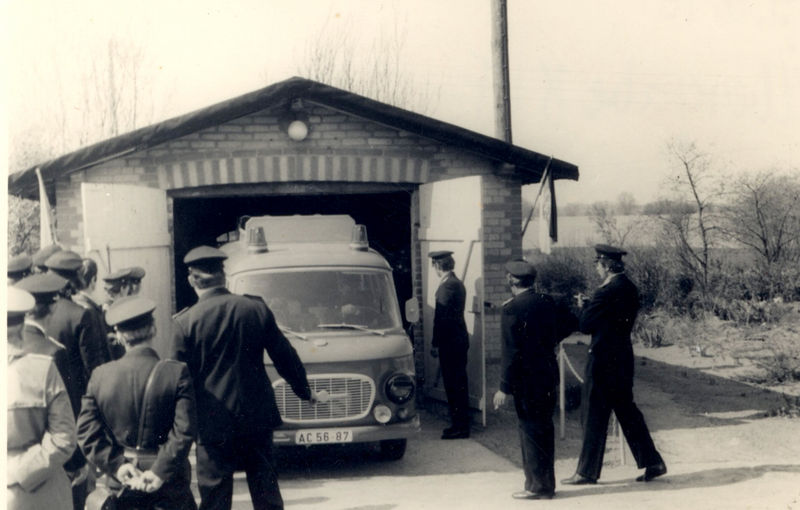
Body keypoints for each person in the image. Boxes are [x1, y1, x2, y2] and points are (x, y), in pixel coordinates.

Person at [160, 245, 317, 510]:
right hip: (257, 418)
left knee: (215, 499)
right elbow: (284, 356)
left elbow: (174, 381)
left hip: (212, 423)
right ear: (224, 276)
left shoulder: (185, 322)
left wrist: (168, 427)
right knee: (267, 493)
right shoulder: (255, 308)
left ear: (192, 280)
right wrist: (305, 391)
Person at [77, 296, 198, 510]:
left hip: (123, 484)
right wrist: (160, 471)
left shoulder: (100, 376)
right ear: (153, 329)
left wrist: (116, 466)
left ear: (119, 335)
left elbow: (86, 432)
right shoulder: (176, 372)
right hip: (170, 484)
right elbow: (185, 430)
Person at [562, 244, 667, 485]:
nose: (597, 269)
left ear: (606, 266)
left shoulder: (605, 291)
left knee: (593, 414)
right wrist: (594, 305)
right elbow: (612, 317)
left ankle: (586, 472)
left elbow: (586, 325)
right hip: (622, 358)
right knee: (626, 410)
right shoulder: (629, 287)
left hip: (602, 360)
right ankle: (653, 462)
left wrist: (584, 307)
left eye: (598, 265)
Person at [15, 272, 89, 508]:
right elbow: (70, 411)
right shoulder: (54, 352)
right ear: (53, 307)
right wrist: (78, 462)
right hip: (48, 465)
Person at [492, 260, 563, 500]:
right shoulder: (547, 301)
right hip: (548, 375)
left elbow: (510, 352)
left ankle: (535, 487)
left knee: (530, 431)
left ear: (511, 280)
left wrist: (503, 387)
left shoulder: (511, 308)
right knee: (545, 429)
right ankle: (546, 485)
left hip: (526, 381)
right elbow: (569, 323)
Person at [429, 250, 471, 439]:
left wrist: (435, 343)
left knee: (454, 385)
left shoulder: (448, 286)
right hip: (457, 341)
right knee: (457, 384)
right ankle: (460, 424)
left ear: (438, 266)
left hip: (451, 343)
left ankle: (460, 426)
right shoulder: (455, 283)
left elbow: (441, 318)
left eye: (434, 266)